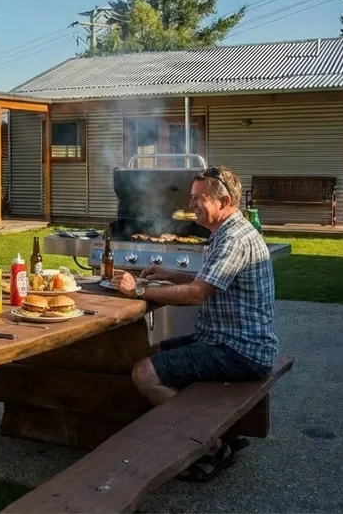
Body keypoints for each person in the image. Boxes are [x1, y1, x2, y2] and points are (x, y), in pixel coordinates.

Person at [114, 164, 277, 482]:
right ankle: (190, 432)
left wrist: (141, 290)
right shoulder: (228, 232)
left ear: (225, 201)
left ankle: (210, 445)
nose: (190, 205)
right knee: (155, 350)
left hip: (238, 350)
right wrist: (170, 274)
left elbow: (197, 294)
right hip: (227, 341)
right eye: (191, 197)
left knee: (144, 374)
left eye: (198, 199)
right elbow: (210, 280)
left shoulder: (233, 240)